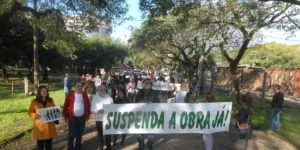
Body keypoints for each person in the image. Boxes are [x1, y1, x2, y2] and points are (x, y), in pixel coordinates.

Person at [28, 86, 58, 150]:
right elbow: (30, 112)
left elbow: (54, 110)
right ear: (39, 92)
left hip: (50, 126)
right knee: (40, 146)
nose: (45, 92)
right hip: (40, 127)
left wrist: (56, 118)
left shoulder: (50, 100)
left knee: (49, 146)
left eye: (46, 91)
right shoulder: (34, 101)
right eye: (43, 91)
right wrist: (35, 115)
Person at [63, 83, 90, 150]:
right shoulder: (70, 95)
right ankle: (70, 148)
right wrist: (66, 117)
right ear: (74, 87)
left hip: (82, 118)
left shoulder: (84, 95)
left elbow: (88, 106)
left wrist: (87, 115)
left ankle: (78, 147)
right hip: (72, 119)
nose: (79, 87)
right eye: (78, 86)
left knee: (79, 135)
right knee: (71, 135)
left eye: (81, 86)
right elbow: (65, 106)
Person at [135, 79, 160, 150]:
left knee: (150, 134)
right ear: (143, 84)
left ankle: (149, 146)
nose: (147, 84)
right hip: (140, 116)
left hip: (151, 116)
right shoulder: (139, 93)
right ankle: (141, 146)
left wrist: (153, 103)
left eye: (149, 83)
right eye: (146, 83)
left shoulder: (154, 93)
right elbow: (135, 103)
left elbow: (159, 103)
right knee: (139, 133)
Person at [90, 84, 114, 150]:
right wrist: (98, 111)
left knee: (108, 136)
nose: (103, 91)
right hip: (99, 120)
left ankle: (108, 148)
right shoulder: (95, 98)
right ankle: (101, 147)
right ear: (98, 90)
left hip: (108, 120)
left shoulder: (109, 98)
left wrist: (110, 110)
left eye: (104, 89)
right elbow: (92, 110)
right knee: (100, 136)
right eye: (101, 89)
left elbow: (113, 108)